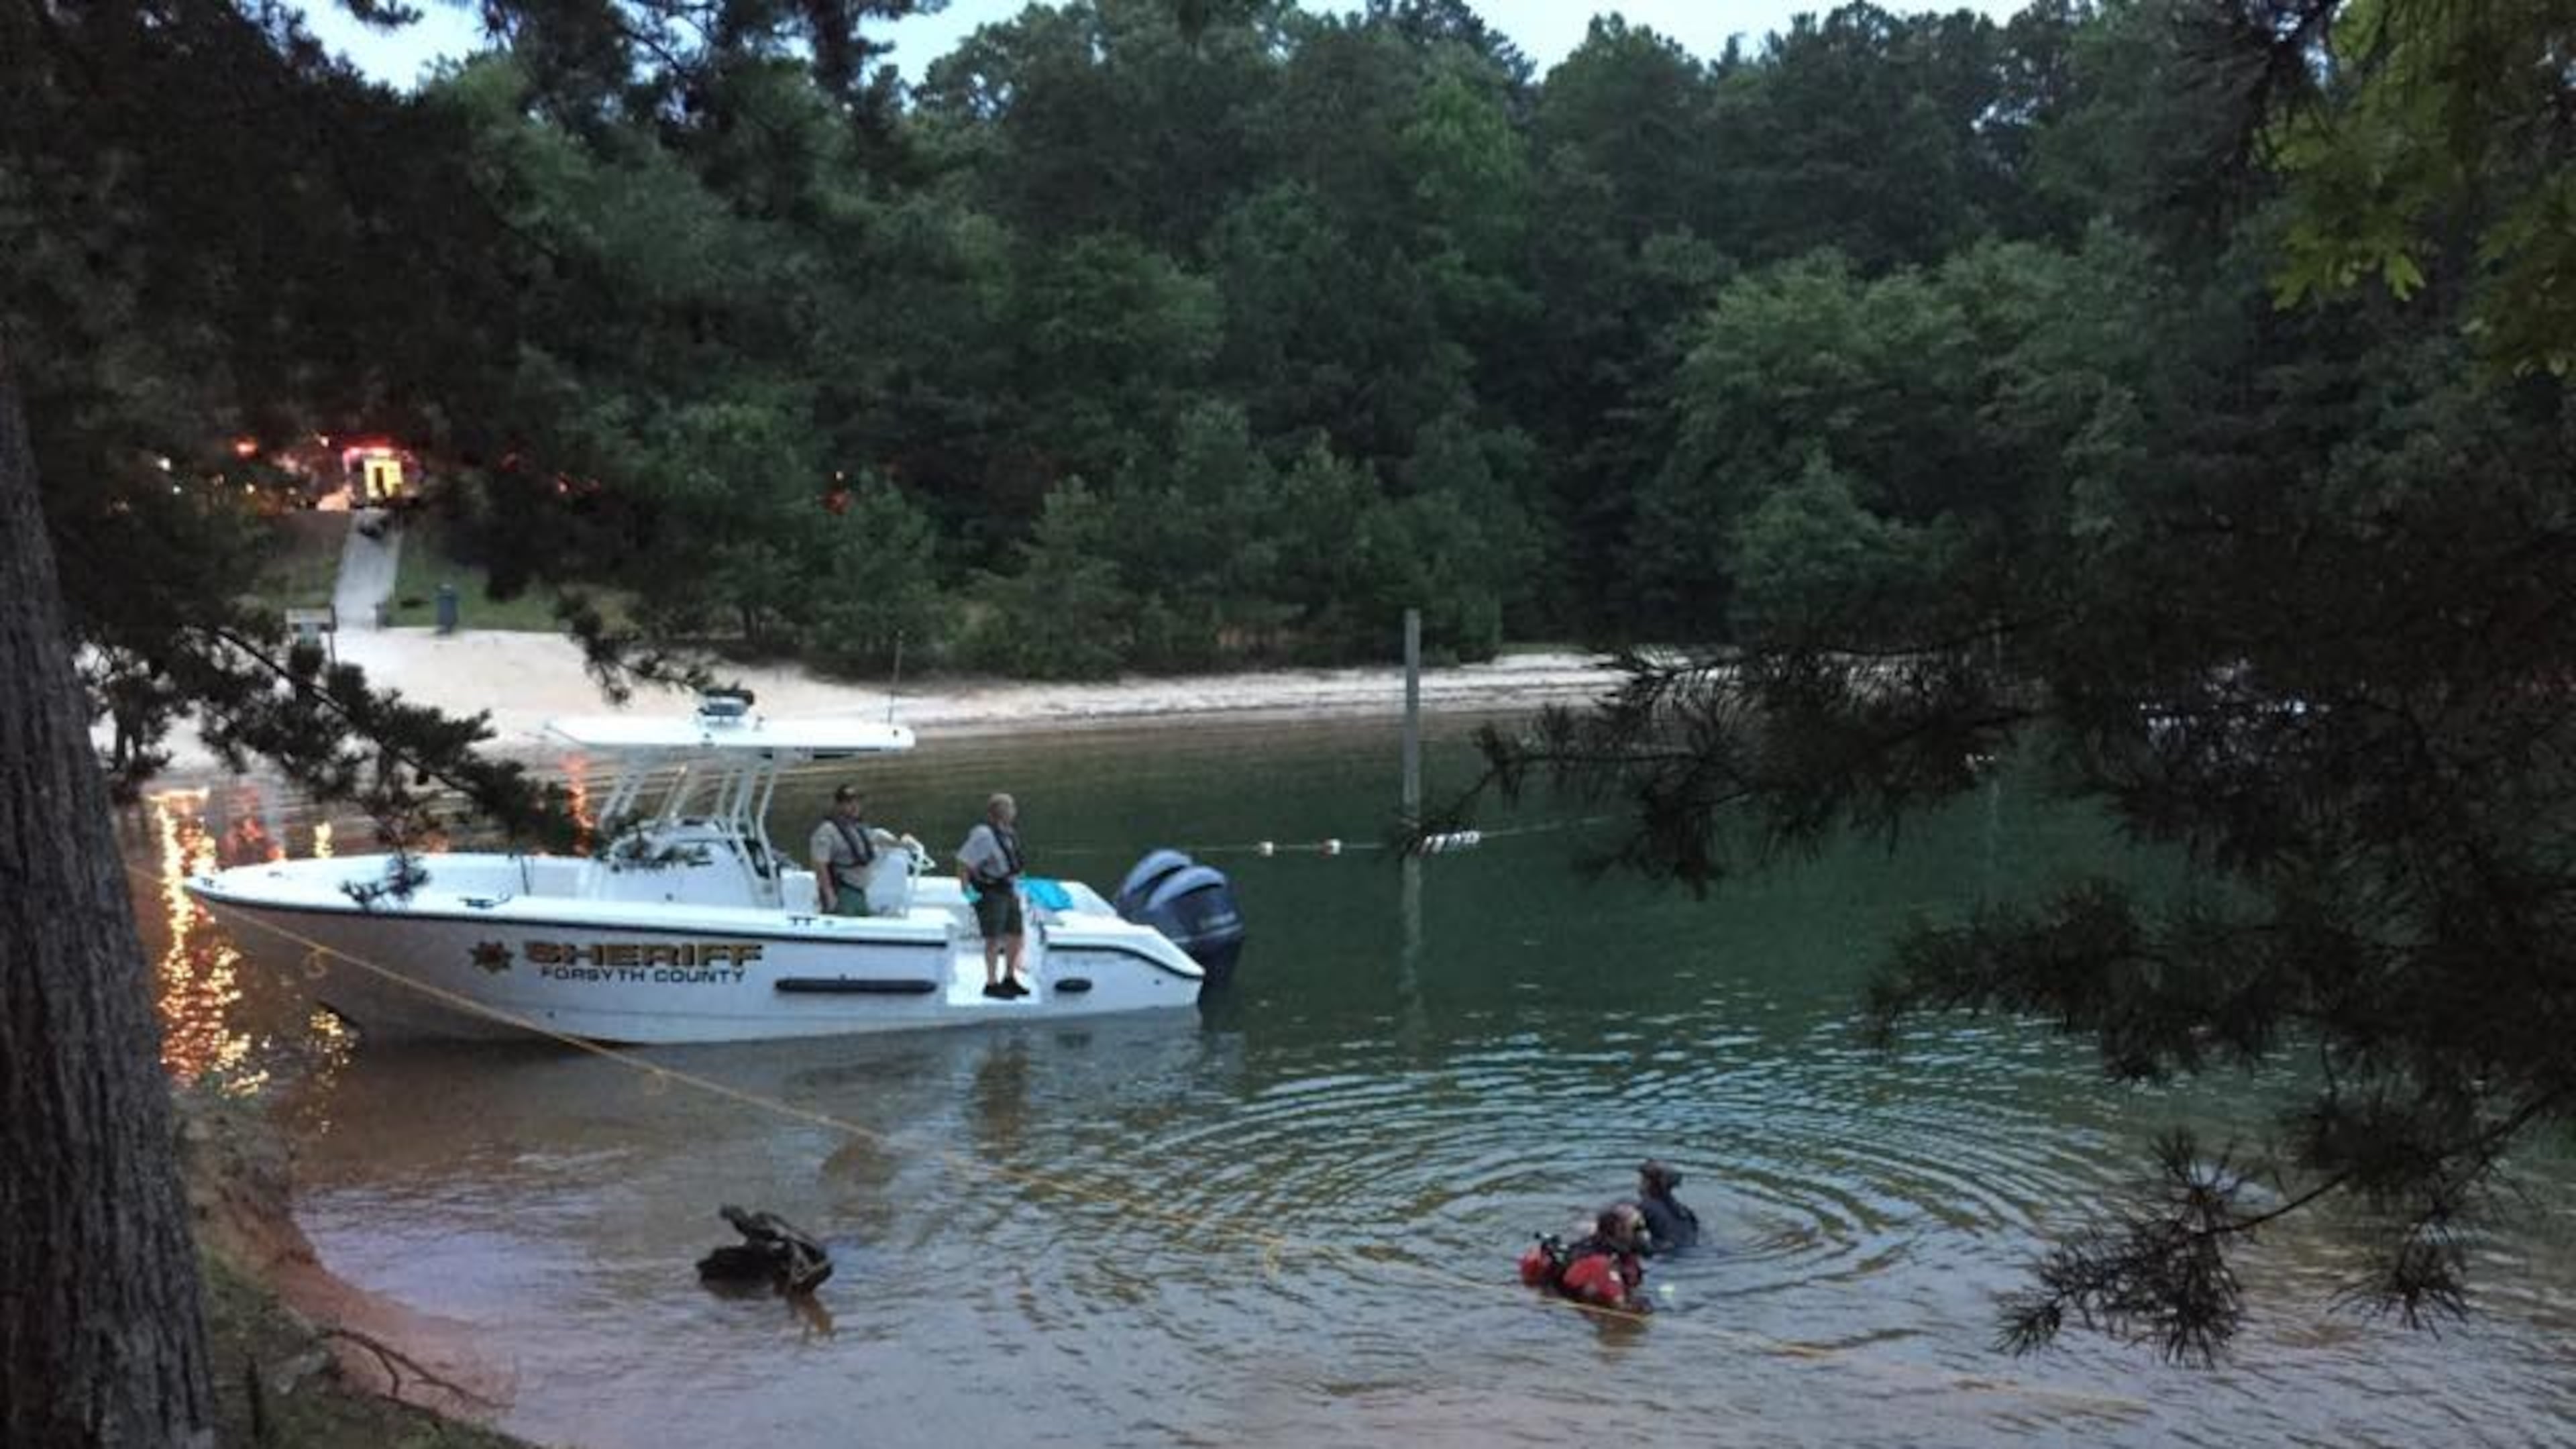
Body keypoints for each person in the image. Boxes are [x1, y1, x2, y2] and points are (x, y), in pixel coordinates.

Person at [957, 792, 1028, 1000]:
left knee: (1015, 933)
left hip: (1008, 889)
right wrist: (967, 891)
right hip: (990, 892)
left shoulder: (1008, 833)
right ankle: (991, 982)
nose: (1014, 811)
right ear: (999, 812)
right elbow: (963, 863)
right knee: (993, 938)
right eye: (1010, 807)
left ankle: (1009, 977)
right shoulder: (984, 835)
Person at [1519, 1203, 1650, 1311]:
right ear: (1618, 1230)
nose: (1640, 1235)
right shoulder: (1604, 1263)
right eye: (1635, 1229)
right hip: (1569, 1294)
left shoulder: (1607, 1246)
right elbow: (1621, 1306)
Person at [808, 785, 912, 917]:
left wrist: (902, 844)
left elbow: (877, 838)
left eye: (857, 802)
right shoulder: (826, 831)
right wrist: (829, 894)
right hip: (843, 892)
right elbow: (819, 864)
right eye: (849, 802)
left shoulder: (857, 828)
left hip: (860, 892)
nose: (855, 806)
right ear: (838, 805)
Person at [1634, 1159, 1700, 1254]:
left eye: (1642, 1179)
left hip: (1667, 1257)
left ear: (1648, 1183)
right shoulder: (1684, 1211)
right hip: (1691, 1250)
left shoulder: (1644, 1208)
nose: (1638, 1184)